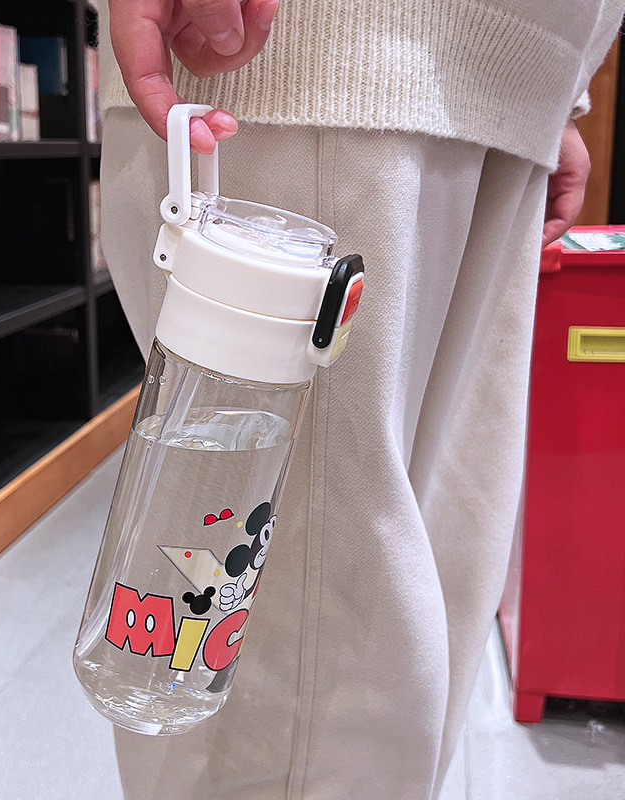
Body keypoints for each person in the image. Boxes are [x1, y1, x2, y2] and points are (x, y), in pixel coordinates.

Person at [92, 2, 624, 798]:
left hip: (515, 87)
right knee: (296, 693)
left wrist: (561, 86)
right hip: (305, 67)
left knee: (418, 618)